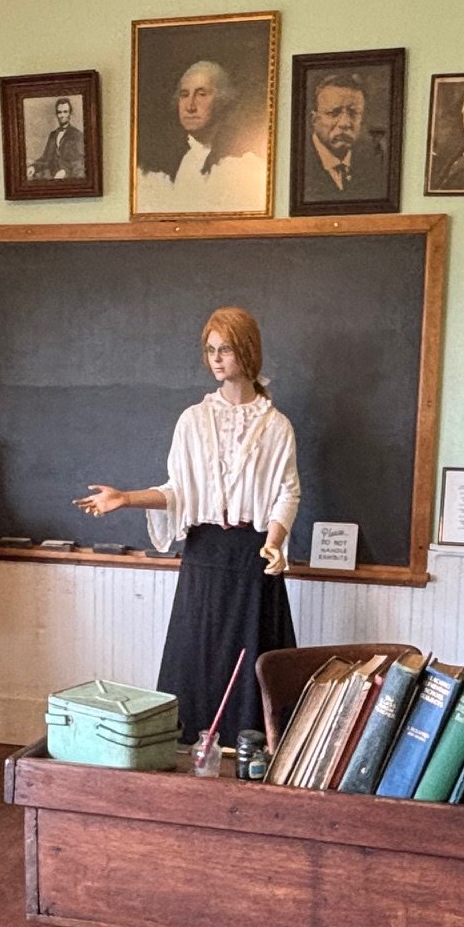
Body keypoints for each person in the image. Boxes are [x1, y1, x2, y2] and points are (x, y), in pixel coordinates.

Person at [75, 307, 299, 745]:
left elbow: (287, 493)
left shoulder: (277, 426)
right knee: (195, 655)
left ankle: (250, 755)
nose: (216, 359)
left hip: (253, 560)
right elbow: (177, 491)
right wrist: (125, 498)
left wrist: (274, 541)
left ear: (248, 351)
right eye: (210, 350)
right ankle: (185, 757)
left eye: (226, 349)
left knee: (252, 661)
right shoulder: (193, 420)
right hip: (205, 555)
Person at [137, 59, 266, 214]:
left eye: (201, 94)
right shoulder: (163, 160)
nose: (190, 106)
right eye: (184, 95)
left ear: (221, 100)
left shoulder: (243, 158)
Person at [301, 72, 387, 202]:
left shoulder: (374, 167)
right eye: (333, 113)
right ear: (314, 120)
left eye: (354, 113)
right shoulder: (298, 167)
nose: (345, 123)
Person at [30, 96, 86, 181]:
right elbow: (45, 158)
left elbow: (79, 163)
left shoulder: (77, 135)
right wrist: (33, 167)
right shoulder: (53, 135)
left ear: (70, 114)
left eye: (65, 112)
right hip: (51, 176)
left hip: (69, 179)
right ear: (56, 114)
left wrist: (65, 173)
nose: (62, 115)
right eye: (59, 112)